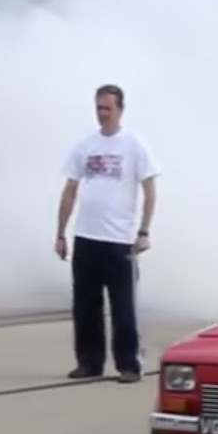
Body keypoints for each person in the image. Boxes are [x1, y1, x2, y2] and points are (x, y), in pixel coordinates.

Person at [55, 83, 159, 384]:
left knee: (123, 306)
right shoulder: (85, 144)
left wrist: (143, 230)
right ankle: (89, 361)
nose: (103, 115)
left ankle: (128, 363)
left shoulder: (134, 145)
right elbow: (70, 189)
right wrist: (61, 232)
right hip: (87, 236)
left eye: (108, 109)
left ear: (120, 110)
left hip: (120, 239)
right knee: (85, 305)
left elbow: (150, 190)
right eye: (99, 109)